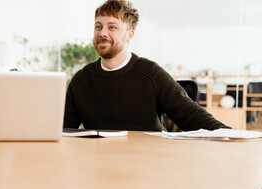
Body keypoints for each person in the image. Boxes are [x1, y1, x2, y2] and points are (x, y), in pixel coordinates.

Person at [63, 0, 229, 131]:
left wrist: (233, 135)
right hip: (98, 163)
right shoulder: (81, 80)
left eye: (112, 27)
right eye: (98, 27)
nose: (102, 33)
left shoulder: (151, 74)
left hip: (149, 163)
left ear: (130, 35)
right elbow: (64, 129)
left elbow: (191, 115)